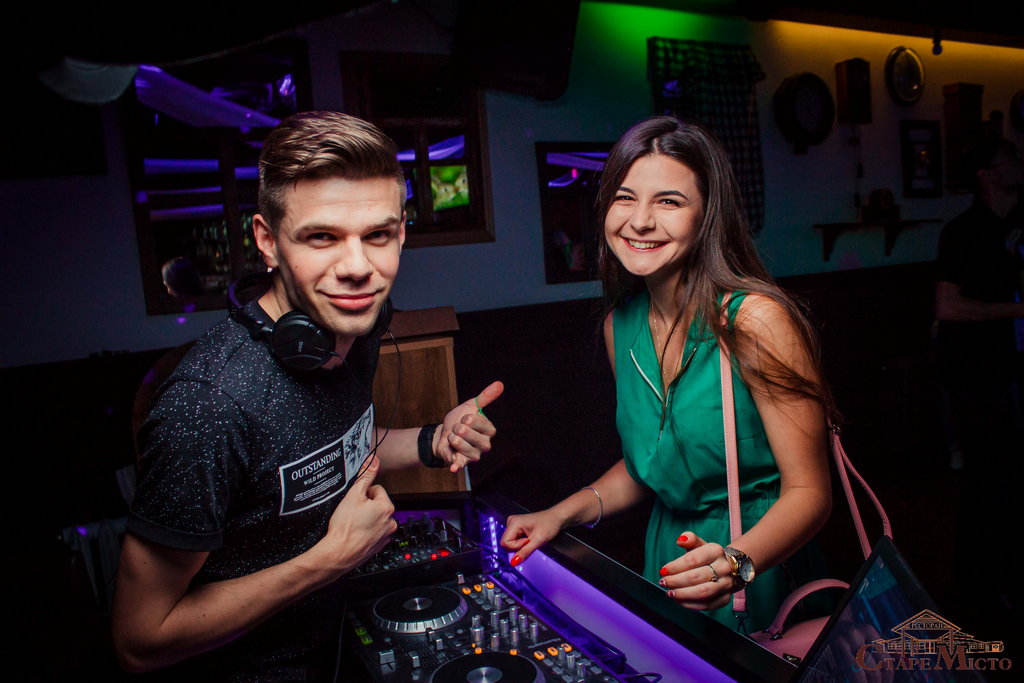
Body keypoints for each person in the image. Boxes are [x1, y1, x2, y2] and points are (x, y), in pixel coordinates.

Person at [112, 111, 503, 680]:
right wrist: (329, 560)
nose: (358, 268)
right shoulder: (208, 407)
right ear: (267, 241)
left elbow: (327, 445)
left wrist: (431, 441)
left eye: (378, 235)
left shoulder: (358, 322)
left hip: (339, 648)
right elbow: (139, 639)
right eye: (322, 237)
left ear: (401, 232)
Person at [501, 117, 832, 632]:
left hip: (758, 560)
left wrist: (737, 564)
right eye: (625, 198)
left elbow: (810, 492)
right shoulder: (620, 326)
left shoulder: (754, 320)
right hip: (668, 557)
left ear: (707, 216)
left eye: (669, 201)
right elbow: (649, 467)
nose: (640, 221)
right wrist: (558, 515)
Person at [935, 138, 1023, 633]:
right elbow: (947, 308)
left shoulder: (1014, 226)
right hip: (977, 376)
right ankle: (976, 598)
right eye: (1009, 158)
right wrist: (1018, 310)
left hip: (1008, 371)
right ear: (987, 174)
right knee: (988, 485)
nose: (1019, 165)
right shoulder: (964, 232)